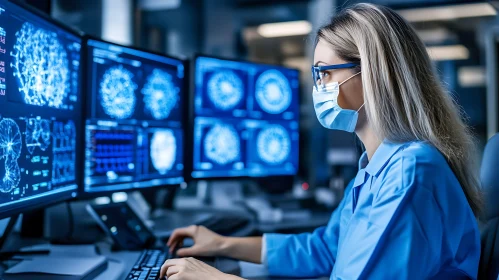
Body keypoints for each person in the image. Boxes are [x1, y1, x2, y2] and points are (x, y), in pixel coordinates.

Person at [160, 3, 482, 280]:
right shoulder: (375, 169)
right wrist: (221, 244)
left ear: (370, 73)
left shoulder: (409, 172)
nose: (318, 87)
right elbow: (324, 249)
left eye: (324, 73)